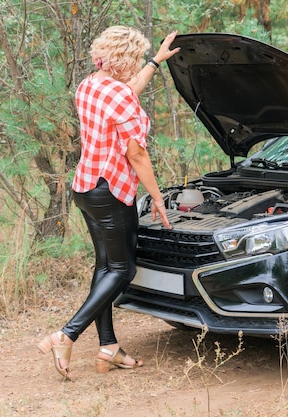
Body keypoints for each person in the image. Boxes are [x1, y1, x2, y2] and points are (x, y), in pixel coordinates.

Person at [37, 26, 180, 380]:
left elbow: (127, 93)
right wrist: (158, 197)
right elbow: (136, 153)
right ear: (122, 59)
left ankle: (108, 348)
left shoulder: (89, 85)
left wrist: (155, 62)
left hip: (85, 188)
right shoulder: (120, 95)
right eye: (134, 59)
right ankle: (66, 334)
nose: (135, 65)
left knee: (105, 267)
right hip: (112, 191)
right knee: (123, 270)